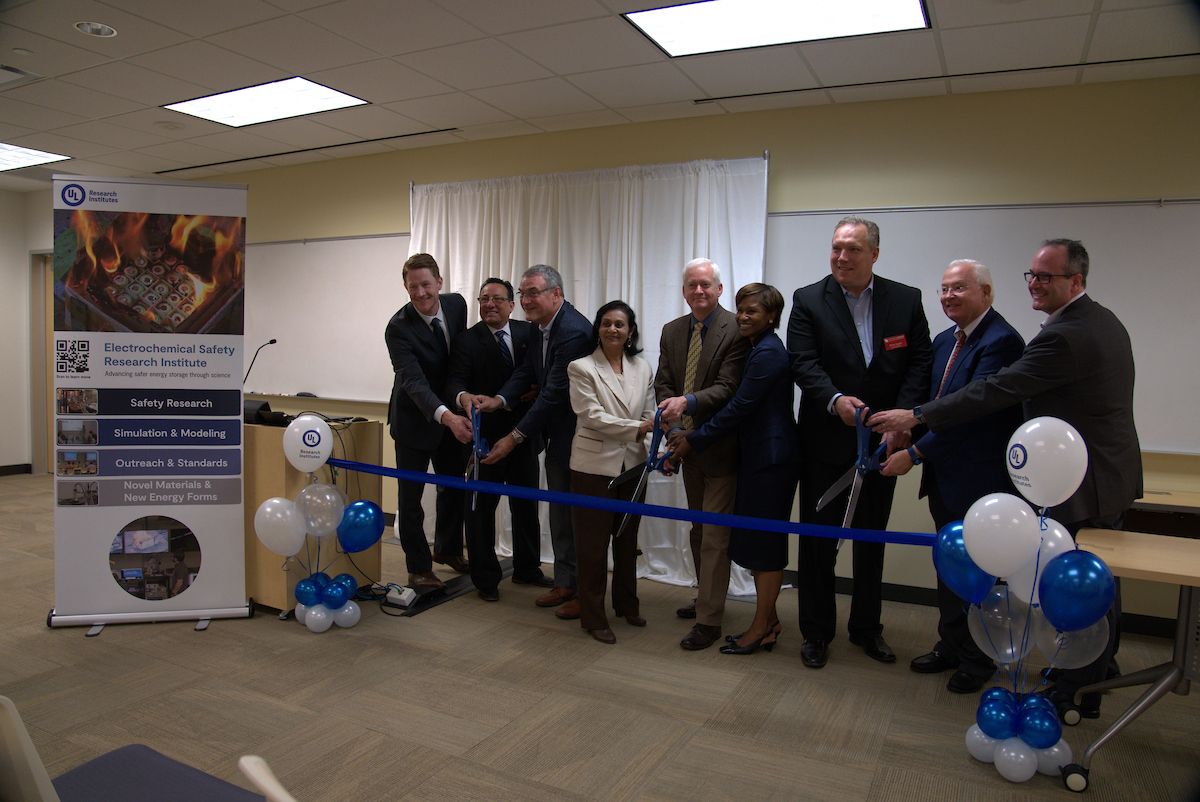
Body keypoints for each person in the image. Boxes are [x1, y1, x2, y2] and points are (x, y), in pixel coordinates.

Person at [869, 238, 1141, 719]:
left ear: (1075, 281)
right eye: (1031, 276)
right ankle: (1089, 676)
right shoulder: (1095, 320)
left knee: (1080, 586)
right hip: (1091, 474)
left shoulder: (1059, 335)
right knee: (1087, 584)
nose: (1035, 284)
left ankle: (1081, 688)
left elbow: (995, 392)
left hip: (1080, 482)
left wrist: (914, 423)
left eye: (1046, 277)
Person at [787, 216, 932, 669]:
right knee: (818, 544)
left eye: (852, 249)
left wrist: (903, 420)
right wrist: (834, 401)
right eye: (836, 248)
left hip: (884, 444)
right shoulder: (808, 300)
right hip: (825, 441)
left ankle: (867, 629)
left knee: (871, 540)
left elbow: (920, 362)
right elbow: (803, 363)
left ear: (874, 253)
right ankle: (816, 632)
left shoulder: (906, 300)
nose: (842, 257)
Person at [878, 259, 1024, 693]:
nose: (948, 297)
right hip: (946, 477)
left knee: (978, 572)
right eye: (943, 289)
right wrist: (904, 430)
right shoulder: (945, 340)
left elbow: (970, 415)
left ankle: (978, 660)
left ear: (987, 293)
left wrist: (917, 453)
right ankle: (952, 644)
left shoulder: (1002, 342)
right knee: (949, 564)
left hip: (980, 479)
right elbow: (931, 402)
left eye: (958, 288)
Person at [668, 283, 797, 656]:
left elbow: (739, 406)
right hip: (757, 456)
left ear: (771, 315)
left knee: (766, 547)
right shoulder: (758, 347)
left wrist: (694, 439)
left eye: (752, 311)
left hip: (770, 459)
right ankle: (767, 621)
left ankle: (761, 627)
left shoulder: (769, 352)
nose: (742, 316)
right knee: (757, 544)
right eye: (740, 309)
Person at [478, 265, 593, 619]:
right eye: (523, 294)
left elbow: (553, 393)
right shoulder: (540, 327)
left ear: (556, 294)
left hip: (581, 439)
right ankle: (565, 582)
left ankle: (584, 592)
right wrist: (499, 400)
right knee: (559, 513)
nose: (525, 300)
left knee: (580, 518)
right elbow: (527, 372)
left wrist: (513, 438)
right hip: (558, 437)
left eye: (533, 293)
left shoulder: (572, 331)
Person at [655, 258, 749, 651]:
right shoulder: (672, 331)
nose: (699, 291)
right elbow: (662, 385)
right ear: (683, 290)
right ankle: (706, 598)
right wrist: (675, 433)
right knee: (698, 532)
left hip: (721, 450)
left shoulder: (736, 330)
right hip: (686, 448)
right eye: (692, 285)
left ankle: (709, 621)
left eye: (706, 285)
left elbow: (728, 389)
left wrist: (687, 403)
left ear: (720, 289)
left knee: (714, 537)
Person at [447, 278, 552, 601]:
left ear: (511, 303)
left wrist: (534, 389)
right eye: (483, 299)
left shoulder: (529, 333)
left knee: (526, 506)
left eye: (497, 299)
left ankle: (527, 568)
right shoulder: (466, 340)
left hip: (522, 437)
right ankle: (486, 579)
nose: (489, 304)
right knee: (480, 512)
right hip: (485, 440)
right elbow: (454, 381)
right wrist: (464, 398)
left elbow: (541, 374)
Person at [566, 301, 657, 644]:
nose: (613, 329)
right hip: (593, 468)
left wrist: (649, 436)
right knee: (592, 547)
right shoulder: (581, 367)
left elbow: (651, 412)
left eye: (620, 324)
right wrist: (639, 428)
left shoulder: (642, 367)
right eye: (606, 323)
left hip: (633, 465)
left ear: (631, 330)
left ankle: (626, 604)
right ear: (598, 328)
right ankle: (593, 617)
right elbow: (591, 416)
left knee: (626, 540)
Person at [384, 253, 473, 590]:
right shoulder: (397, 328)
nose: (421, 293)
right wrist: (446, 416)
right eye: (412, 287)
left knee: (454, 488)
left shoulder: (457, 305)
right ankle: (419, 567)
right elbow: (414, 383)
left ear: (439, 282)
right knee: (411, 500)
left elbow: (461, 358)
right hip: (415, 422)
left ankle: (448, 550)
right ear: (405, 288)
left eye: (426, 284)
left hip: (454, 416)